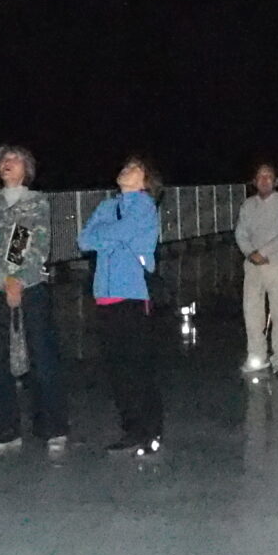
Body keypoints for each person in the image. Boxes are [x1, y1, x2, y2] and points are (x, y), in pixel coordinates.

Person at [0, 145, 69, 456]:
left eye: (14, 160)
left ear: (26, 168)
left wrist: (16, 280)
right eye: (3, 161)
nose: (7, 165)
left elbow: (33, 242)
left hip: (30, 286)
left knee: (42, 356)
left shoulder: (35, 202)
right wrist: (3, 280)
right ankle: (4, 429)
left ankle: (52, 425)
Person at [78, 156, 163, 456]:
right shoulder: (106, 206)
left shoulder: (144, 207)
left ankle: (150, 430)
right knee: (116, 367)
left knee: (137, 366)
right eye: (125, 166)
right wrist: (113, 237)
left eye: (134, 168)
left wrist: (108, 237)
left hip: (134, 296)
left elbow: (119, 233)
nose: (125, 169)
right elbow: (84, 240)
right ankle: (130, 428)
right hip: (105, 295)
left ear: (145, 181)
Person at [235, 163, 278, 375]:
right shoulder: (247, 205)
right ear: (254, 182)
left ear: (276, 181)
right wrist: (250, 252)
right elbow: (240, 233)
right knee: (252, 312)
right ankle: (257, 355)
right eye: (260, 177)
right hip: (252, 266)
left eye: (268, 177)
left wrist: (263, 252)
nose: (264, 180)